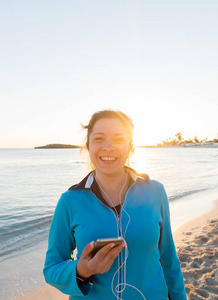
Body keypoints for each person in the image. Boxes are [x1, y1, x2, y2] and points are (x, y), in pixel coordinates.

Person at [43, 110, 186, 299]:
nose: (108, 147)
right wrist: (81, 270)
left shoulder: (155, 192)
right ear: (87, 145)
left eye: (119, 139)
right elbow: (51, 268)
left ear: (131, 147)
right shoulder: (70, 201)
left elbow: (169, 260)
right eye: (99, 138)